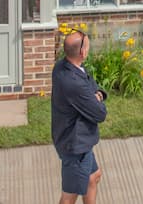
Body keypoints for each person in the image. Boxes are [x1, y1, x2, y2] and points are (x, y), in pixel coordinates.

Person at [51, 29, 107, 204]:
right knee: (69, 197)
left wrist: (97, 95)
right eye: (88, 44)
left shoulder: (63, 67)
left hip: (74, 140)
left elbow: (89, 82)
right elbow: (100, 113)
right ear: (82, 52)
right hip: (75, 147)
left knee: (93, 177)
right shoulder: (73, 83)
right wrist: (96, 98)